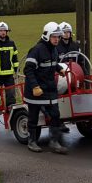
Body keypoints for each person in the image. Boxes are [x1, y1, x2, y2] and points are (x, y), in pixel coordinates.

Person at [23, 22, 67, 154]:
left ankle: (54, 142)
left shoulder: (54, 49)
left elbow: (52, 64)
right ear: (47, 35)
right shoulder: (36, 50)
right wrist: (35, 87)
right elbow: (28, 70)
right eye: (54, 36)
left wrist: (59, 69)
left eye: (58, 37)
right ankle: (32, 141)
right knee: (33, 117)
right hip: (35, 91)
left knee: (55, 114)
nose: (57, 39)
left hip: (49, 89)